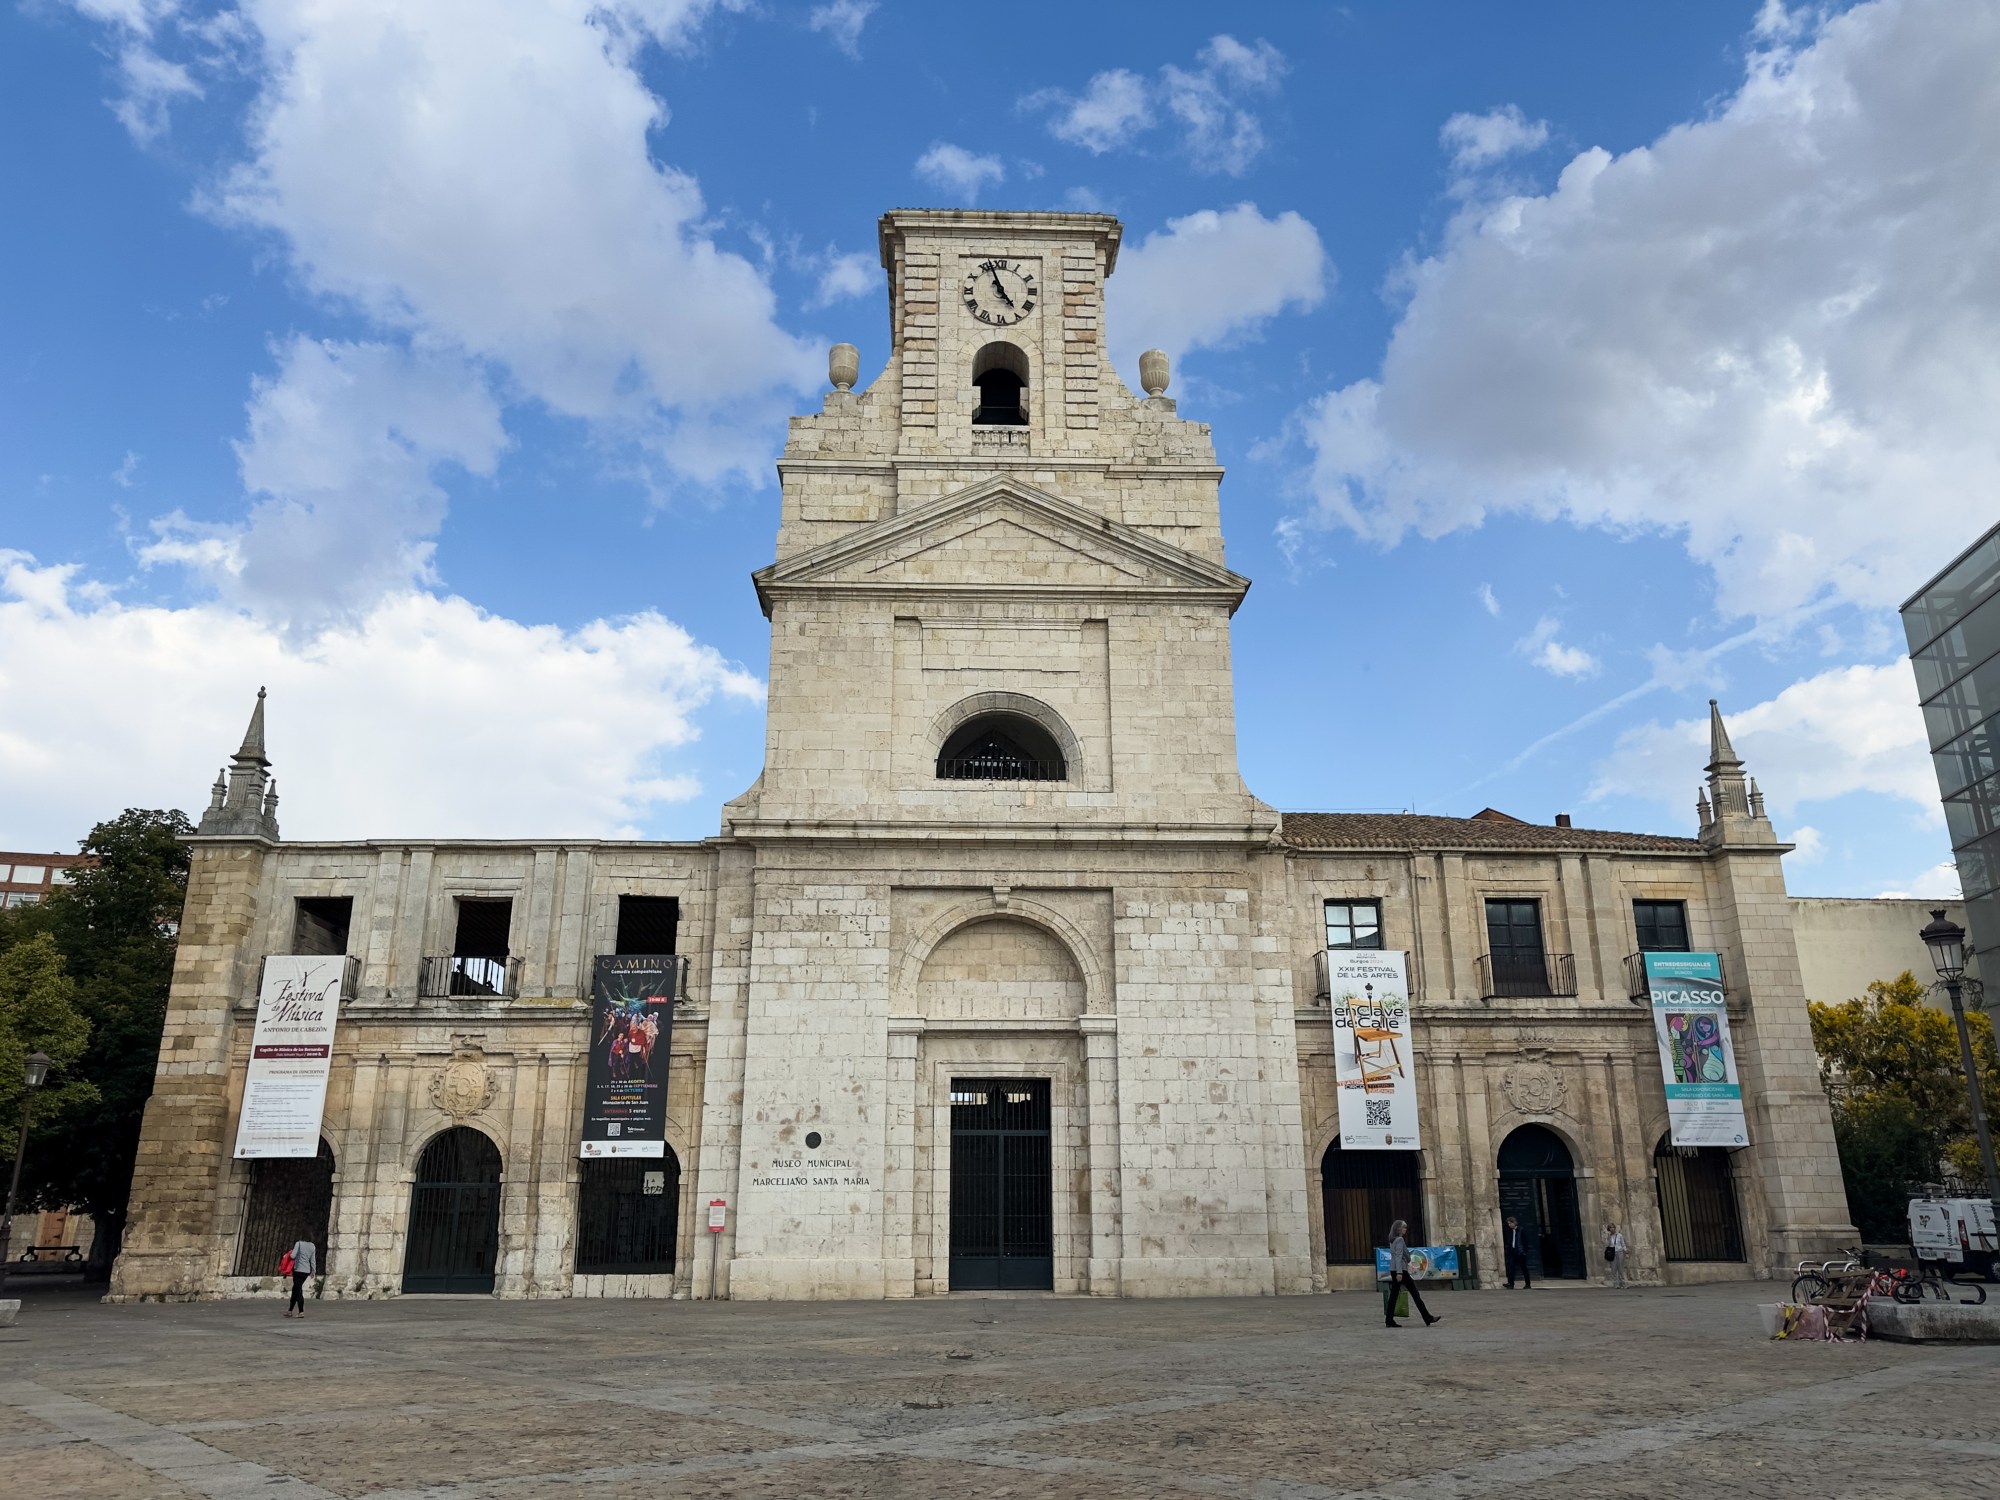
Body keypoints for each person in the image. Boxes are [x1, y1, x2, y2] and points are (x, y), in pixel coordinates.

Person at [1383, 1219, 1440, 1328]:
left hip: (1394, 1268)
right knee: (1415, 1293)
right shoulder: (1399, 1240)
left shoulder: (1392, 1240)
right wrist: (1400, 1272)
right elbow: (1399, 1256)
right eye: (1404, 1227)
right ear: (1399, 1229)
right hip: (1400, 1270)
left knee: (1394, 1296)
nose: (1405, 1229)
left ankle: (1389, 1320)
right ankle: (1427, 1317)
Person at [285, 1236, 317, 1318]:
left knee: (298, 1290)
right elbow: (313, 1260)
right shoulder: (312, 1246)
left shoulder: (298, 1243)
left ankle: (301, 1311)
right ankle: (290, 1310)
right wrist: (313, 1271)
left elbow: (293, 1256)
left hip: (298, 1270)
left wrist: (288, 1254)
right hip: (306, 1271)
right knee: (295, 1289)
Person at [1503, 1215, 1533, 1289]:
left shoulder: (1521, 1230)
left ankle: (1528, 1284)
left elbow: (1525, 1242)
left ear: (1514, 1223)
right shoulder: (1509, 1231)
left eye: (1510, 1223)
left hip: (1520, 1252)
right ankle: (1511, 1283)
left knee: (1524, 1268)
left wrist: (1524, 1252)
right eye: (1508, 1224)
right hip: (1512, 1252)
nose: (1509, 1225)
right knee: (1511, 1268)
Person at [1603, 1222, 1627, 1289]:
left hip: (1619, 1252)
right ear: (1609, 1229)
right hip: (1613, 1253)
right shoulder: (1609, 1236)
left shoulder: (1619, 1235)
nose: (1612, 1229)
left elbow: (1623, 1244)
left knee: (1620, 1268)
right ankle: (1616, 1284)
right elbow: (1607, 1244)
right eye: (1610, 1228)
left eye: (1613, 1227)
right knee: (1614, 1268)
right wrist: (1607, 1238)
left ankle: (1623, 1283)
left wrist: (1625, 1250)